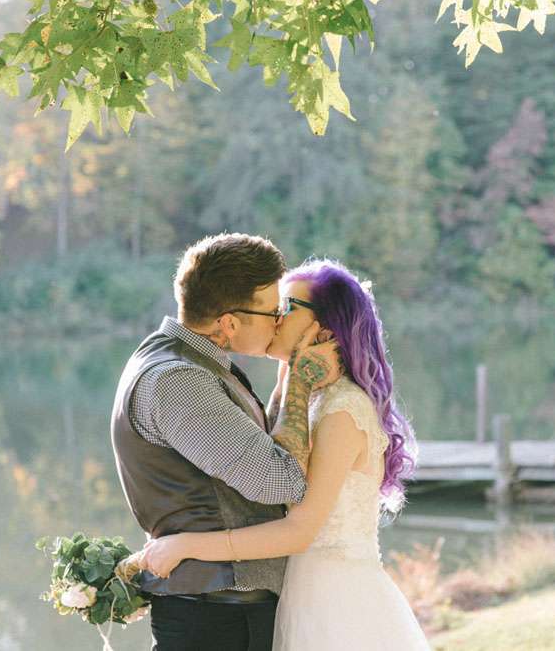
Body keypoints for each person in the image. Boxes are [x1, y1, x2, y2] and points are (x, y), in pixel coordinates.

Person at [133, 259, 431, 650]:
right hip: (302, 595)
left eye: (287, 307)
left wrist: (185, 545)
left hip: (337, 607)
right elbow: (275, 456)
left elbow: (299, 531)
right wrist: (290, 379)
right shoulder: (312, 400)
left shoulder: (342, 411)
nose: (275, 316)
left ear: (323, 330)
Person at [110, 234, 342, 651]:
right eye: (273, 311)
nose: (279, 321)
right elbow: (283, 482)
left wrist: (286, 378)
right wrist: (301, 382)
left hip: (221, 609)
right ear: (230, 323)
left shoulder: (192, 361)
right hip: (217, 616)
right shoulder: (178, 381)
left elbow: (258, 449)